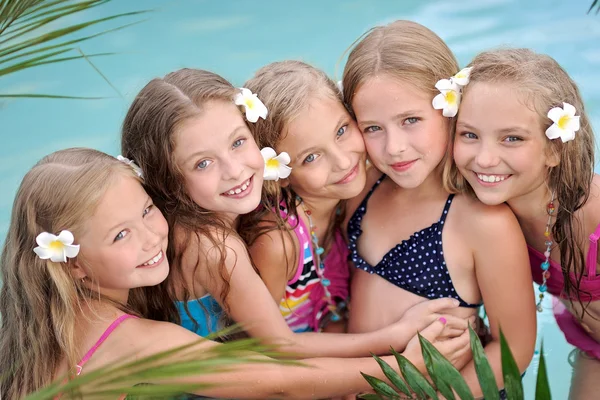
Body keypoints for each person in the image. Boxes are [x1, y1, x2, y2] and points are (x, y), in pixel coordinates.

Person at [0, 148, 471, 399]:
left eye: (147, 211)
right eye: (120, 235)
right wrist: (407, 367)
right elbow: (281, 382)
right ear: (74, 263)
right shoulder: (133, 341)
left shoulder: (30, 322)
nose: (150, 238)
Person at [341, 20, 536, 397]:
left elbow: (514, 351)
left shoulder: (480, 220)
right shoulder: (364, 187)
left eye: (410, 120)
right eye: (372, 128)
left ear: (450, 108)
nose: (394, 147)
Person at [449, 47, 600, 399]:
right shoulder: (490, 219)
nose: (484, 159)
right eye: (469, 134)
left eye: (512, 138)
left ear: (555, 149)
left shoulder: (592, 214)